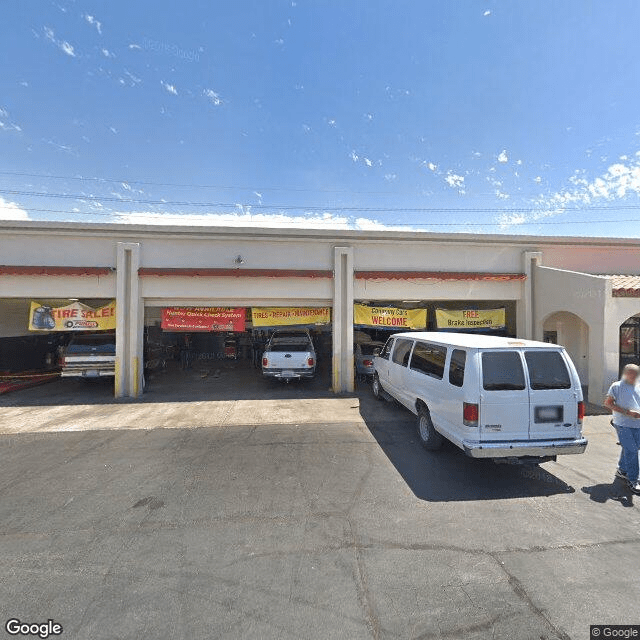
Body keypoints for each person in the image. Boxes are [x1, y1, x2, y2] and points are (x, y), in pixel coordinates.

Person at [604, 364, 640, 495]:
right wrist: (627, 412)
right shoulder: (617, 386)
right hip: (622, 423)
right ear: (625, 373)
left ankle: (622, 470)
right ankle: (633, 480)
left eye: (635, 373)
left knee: (632, 448)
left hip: (638, 424)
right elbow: (607, 403)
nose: (633, 375)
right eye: (631, 373)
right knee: (632, 450)